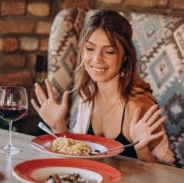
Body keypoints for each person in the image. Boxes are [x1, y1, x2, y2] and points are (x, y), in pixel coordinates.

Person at [31, 9, 174, 164]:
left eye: (109, 52)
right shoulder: (88, 96)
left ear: (125, 56)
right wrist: (59, 127)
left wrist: (142, 149)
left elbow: (166, 175)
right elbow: (80, 160)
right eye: (90, 48)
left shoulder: (138, 107)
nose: (97, 59)